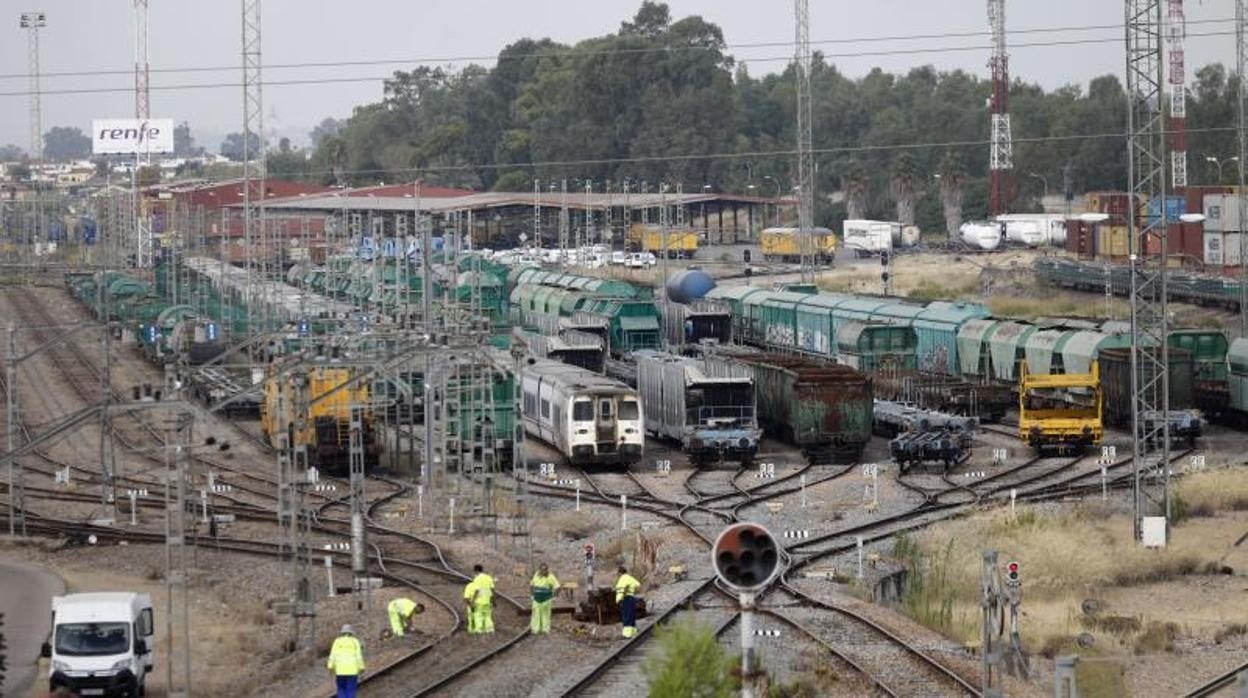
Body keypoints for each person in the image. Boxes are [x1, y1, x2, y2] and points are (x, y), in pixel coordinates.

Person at [326, 624, 365, 698]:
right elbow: (358, 656)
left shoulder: (337, 642)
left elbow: (333, 655)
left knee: (341, 689)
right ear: (351, 633)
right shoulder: (355, 642)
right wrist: (361, 668)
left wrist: (330, 667)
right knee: (350, 690)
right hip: (352, 670)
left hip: (340, 671)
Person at [464, 563, 496, 635]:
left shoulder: (477, 579)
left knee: (478, 615)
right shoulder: (489, 578)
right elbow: (493, 590)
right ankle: (489, 629)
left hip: (479, 601)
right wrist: (493, 600)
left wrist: (473, 601)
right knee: (487, 615)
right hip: (487, 600)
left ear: (476, 571)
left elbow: (477, 590)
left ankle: (479, 630)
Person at [529, 562, 560, 635]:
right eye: (542, 570)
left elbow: (557, 587)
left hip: (546, 599)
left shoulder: (550, 576)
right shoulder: (536, 575)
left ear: (547, 570)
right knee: (536, 614)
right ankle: (535, 629)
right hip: (536, 598)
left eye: (545, 570)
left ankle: (545, 629)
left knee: (545, 615)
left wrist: (555, 596)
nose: (543, 571)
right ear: (539, 569)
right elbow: (532, 585)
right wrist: (531, 595)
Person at [614, 565, 641, 638]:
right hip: (632, 598)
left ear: (620, 573)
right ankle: (633, 632)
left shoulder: (622, 579)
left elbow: (621, 590)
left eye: (618, 573)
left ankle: (626, 634)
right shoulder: (630, 578)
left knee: (626, 616)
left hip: (625, 599)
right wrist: (632, 590)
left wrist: (618, 600)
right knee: (631, 615)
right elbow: (638, 584)